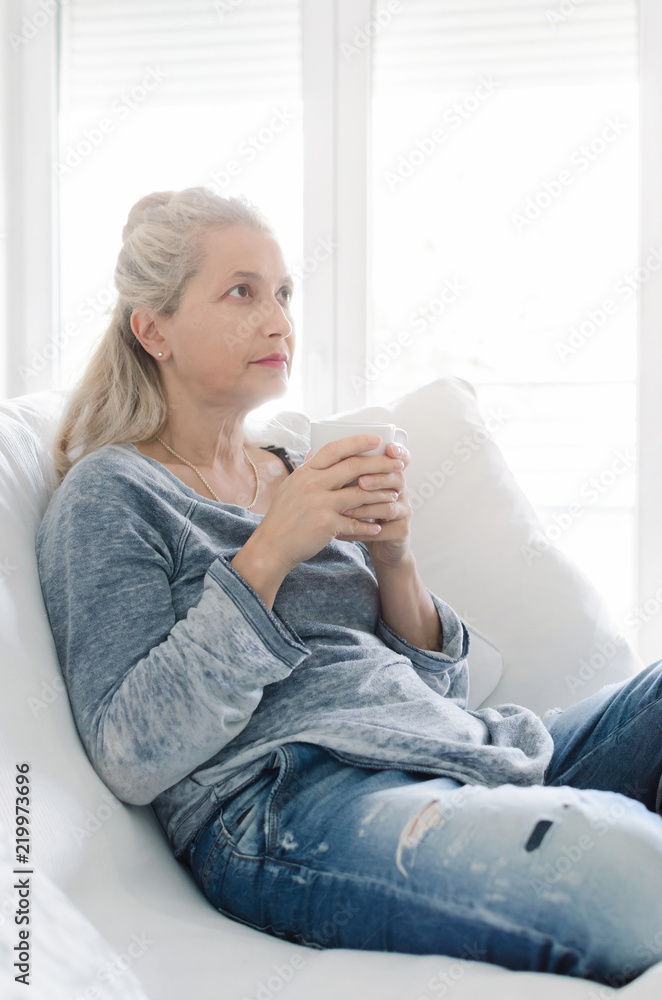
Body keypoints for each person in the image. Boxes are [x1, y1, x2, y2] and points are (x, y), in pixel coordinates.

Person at [36, 187, 662, 987]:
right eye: (242, 292)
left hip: (454, 749)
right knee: (622, 869)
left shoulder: (290, 470)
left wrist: (395, 557)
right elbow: (129, 752)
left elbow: (438, 691)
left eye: (285, 293)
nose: (279, 321)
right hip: (296, 801)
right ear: (153, 329)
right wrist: (267, 554)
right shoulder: (111, 494)